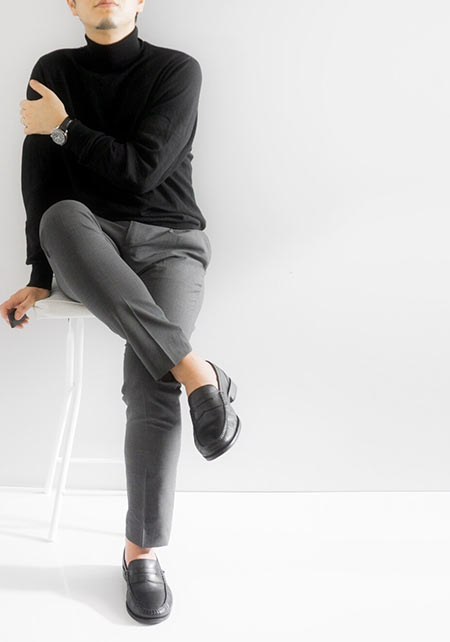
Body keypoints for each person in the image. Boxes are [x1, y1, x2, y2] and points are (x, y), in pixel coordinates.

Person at [0, 0, 241, 625]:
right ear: (72, 4)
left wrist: (64, 126)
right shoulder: (53, 69)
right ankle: (200, 375)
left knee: (149, 378)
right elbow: (41, 182)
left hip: (173, 242)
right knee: (61, 214)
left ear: (139, 1)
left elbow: (143, 171)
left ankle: (141, 552)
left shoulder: (177, 70)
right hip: (89, 241)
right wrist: (40, 277)